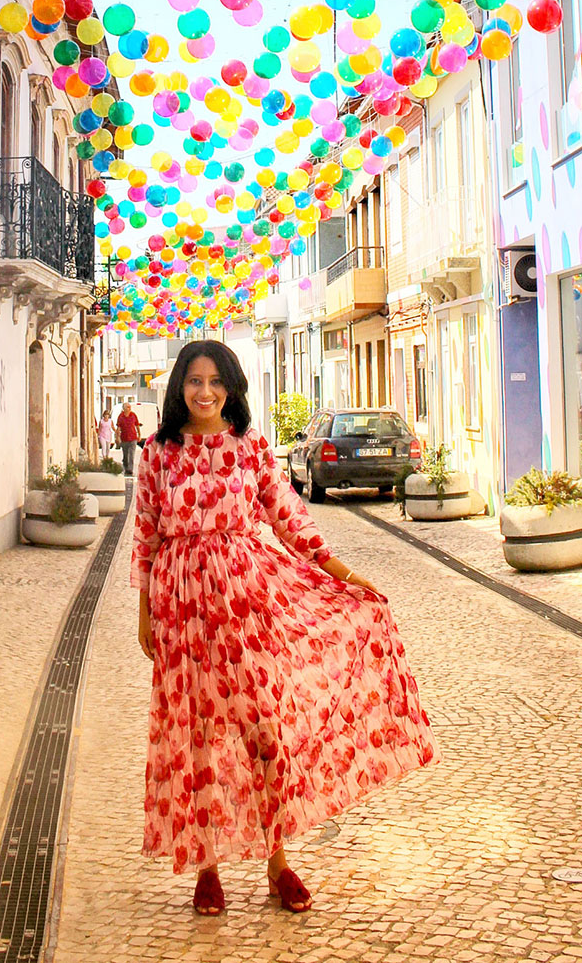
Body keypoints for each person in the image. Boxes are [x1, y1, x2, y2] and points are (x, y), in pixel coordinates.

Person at [131, 340, 435, 917]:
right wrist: (145, 614)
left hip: (249, 607)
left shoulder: (250, 449)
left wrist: (346, 576)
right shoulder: (158, 454)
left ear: (232, 387)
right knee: (196, 741)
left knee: (267, 735)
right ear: (178, 388)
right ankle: (207, 867)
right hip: (183, 607)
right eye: (193, 381)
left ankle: (278, 861)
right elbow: (145, 536)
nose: (204, 392)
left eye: (215, 380)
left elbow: (291, 522)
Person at [116, 401, 142, 477]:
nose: (129, 408)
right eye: (127, 407)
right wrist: (117, 437)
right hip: (124, 438)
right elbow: (118, 427)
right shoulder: (121, 416)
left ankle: (130, 469)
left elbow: (137, 425)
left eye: (129, 407)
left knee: (131, 454)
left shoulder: (133, 415)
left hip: (133, 437)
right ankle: (126, 467)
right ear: (124, 409)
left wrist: (139, 435)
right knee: (125, 455)